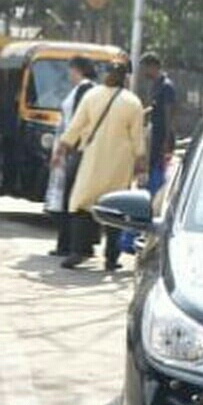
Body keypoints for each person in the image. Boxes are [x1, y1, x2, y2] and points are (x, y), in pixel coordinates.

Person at [56, 59, 145, 271]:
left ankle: (79, 251)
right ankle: (110, 259)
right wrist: (140, 163)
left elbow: (75, 127)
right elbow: (138, 139)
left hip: (93, 160)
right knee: (115, 209)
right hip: (119, 164)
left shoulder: (91, 96)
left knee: (81, 203)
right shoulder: (132, 102)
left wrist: (62, 148)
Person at [47, 56, 97, 257]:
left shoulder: (84, 89)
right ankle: (77, 244)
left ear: (77, 69)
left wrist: (64, 149)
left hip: (74, 150)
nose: (69, 74)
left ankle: (67, 245)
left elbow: (77, 123)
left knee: (71, 198)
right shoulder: (85, 90)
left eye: (71, 70)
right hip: (74, 148)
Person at [139, 52, 176, 197]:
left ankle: (157, 196)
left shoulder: (166, 87)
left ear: (153, 67)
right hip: (155, 135)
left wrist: (167, 140)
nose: (143, 73)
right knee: (152, 165)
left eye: (145, 68)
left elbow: (169, 114)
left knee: (159, 169)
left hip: (162, 137)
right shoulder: (156, 85)